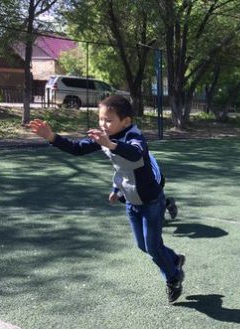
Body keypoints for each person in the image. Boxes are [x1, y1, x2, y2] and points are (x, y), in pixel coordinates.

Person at [28, 95, 186, 303]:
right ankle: (174, 259)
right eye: (101, 119)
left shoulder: (134, 136)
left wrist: (110, 144)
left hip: (151, 202)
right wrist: (51, 137)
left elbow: (135, 154)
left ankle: (173, 277)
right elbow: (78, 149)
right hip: (131, 201)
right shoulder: (105, 137)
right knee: (143, 246)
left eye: (108, 120)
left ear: (126, 121)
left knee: (153, 247)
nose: (103, 124)